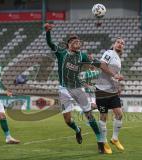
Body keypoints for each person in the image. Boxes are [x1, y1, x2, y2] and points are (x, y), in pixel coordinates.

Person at [45, 23, 120, 154]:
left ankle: (100, 141)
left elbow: (98, 64)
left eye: (78, 41)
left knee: (89, 115)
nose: (77, 43)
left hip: (78, 88)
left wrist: (113, 74)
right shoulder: (61, 53)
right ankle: (77, 129)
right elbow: (50, 43)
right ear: (69, 44)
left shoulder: (82, 56)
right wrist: (48, 32)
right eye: (74, 41)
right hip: (64, 89)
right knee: (67, 120)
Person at [95, 37, 125, 153]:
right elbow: (102, 65)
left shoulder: (118, 59)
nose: (120, 44)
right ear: (114, 44)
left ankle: (115, 138)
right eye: (118, 42)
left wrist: (118, 86)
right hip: (102, 91)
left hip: (112, 92)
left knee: (119, 114)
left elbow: (115, 76)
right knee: (103, 117)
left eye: (122, 43)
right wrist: (115, 75)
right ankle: (104, 141)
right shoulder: (109, 53)